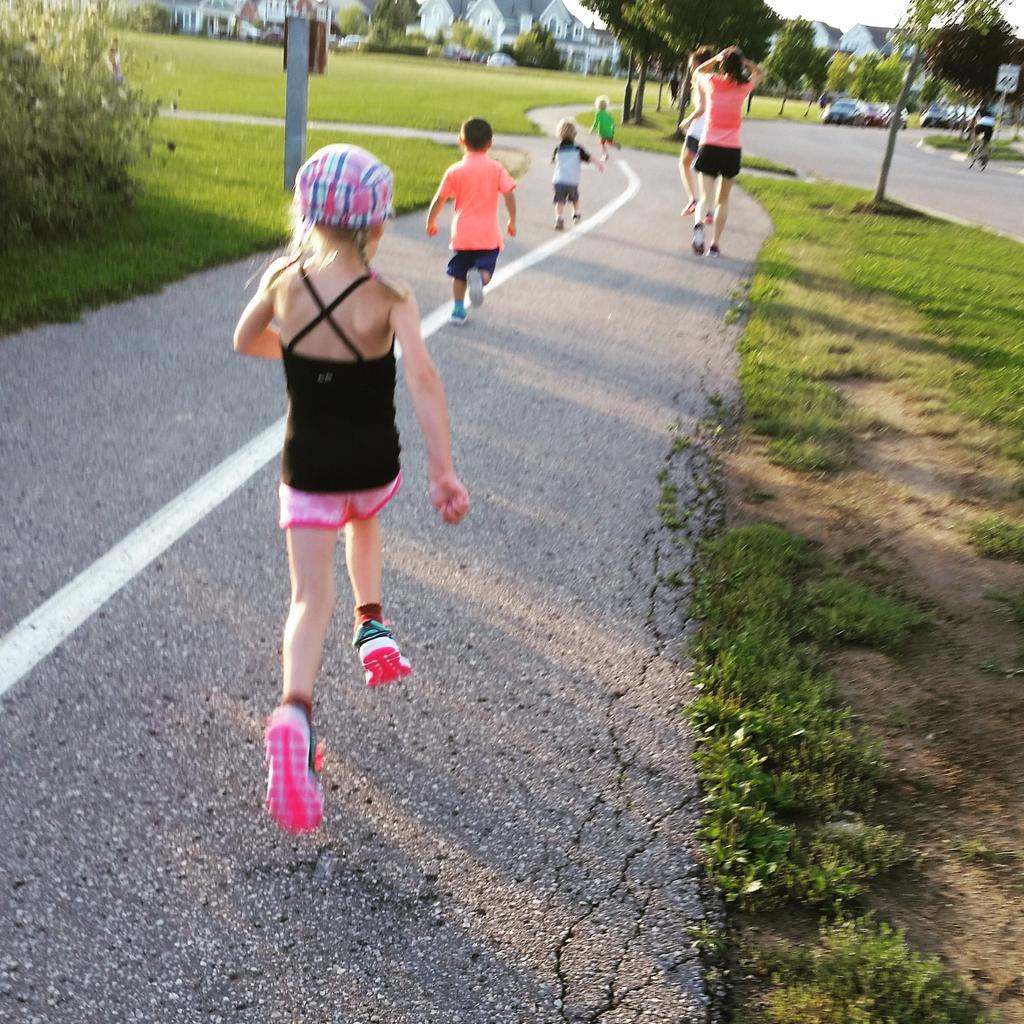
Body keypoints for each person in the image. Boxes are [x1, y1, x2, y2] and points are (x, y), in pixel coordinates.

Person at [233, 144, 469, 833]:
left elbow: (245, 339)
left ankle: (294, 712)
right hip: (370, 464)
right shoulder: (391, 298)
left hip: (306, 465)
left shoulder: (284, 279)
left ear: (307, 216)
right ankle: (372, 624)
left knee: (308, 600)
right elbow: (423, 379)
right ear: (376, 224)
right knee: (364, 523)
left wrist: (297, 350)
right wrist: (443, 471)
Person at [426, 117, 517, 326]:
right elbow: (509, 195)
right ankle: (480, 278)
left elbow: (440, 199)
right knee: (485, 269)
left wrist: (431, 221)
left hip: (462, 233)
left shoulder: (455, 170)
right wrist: (512, 220)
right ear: (489, 143)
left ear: (461, 141)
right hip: (487, 234)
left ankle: (458, 310)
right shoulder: (496, 168)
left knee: (459, 274)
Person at [687, 46, 765, 258]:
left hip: (709, 146)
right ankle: (714, 245)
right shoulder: (743, 87)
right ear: (739, 67)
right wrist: (745, 61)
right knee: (722, 200)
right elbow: (761, 73)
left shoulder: (712, 82)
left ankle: (698, 227)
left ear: (722, 65)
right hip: (731, 150)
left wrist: (716, 57)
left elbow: (698, 71)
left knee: (705, 197)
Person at [677, 45, 715, 219]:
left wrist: (687, 120)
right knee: (705, 172)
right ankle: (708, 210)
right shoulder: (714, 80)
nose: (691, 68)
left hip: (698, 131)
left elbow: (702, 108)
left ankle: (694, 200)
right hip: (710, 132)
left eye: (692, 65)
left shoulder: (701, 80)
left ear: (700, 64)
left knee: (685, 164)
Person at [550, 117, 603, 230]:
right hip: (572, 180)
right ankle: (575, 213)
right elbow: (589, 157)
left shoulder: (557, 149)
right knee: (574, 198)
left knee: (559, 200)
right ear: (574, 133)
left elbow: (554, 160)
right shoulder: (577, 149)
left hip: (559, 180)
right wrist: (598, 164)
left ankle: (559, 218)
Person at [590, 96, 622, 160]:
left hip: (603, 132)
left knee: (602, 143)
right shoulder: (608, 113)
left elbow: (596, 123)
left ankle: (605, 154)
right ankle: (615, 144)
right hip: (609, 131)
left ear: (598, 106)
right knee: (609, 142)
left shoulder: (598, 114)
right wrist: (612, 130)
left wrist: (592, 129)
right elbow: (612, 122)